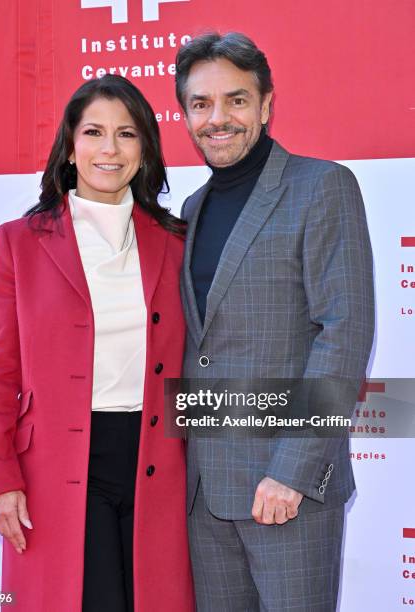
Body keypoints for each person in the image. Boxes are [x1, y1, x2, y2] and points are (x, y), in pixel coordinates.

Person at [0, 75, 194, 612]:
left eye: (126, 134)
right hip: (56, 465)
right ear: (71, 147)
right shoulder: (19, 243)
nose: (109, 149)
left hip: (159, 460)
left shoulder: (176, 240)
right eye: (94, 132)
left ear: (144, 150)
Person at [175, 32, 374, 611]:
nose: (219, 118)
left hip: (285, 488)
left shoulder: (322, 187)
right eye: (201, 104)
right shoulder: (191, 210)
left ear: (265, 105)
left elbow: (344, 333)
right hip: (205, 491)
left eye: (236, 100)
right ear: (187, 114)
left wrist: (292, 468)